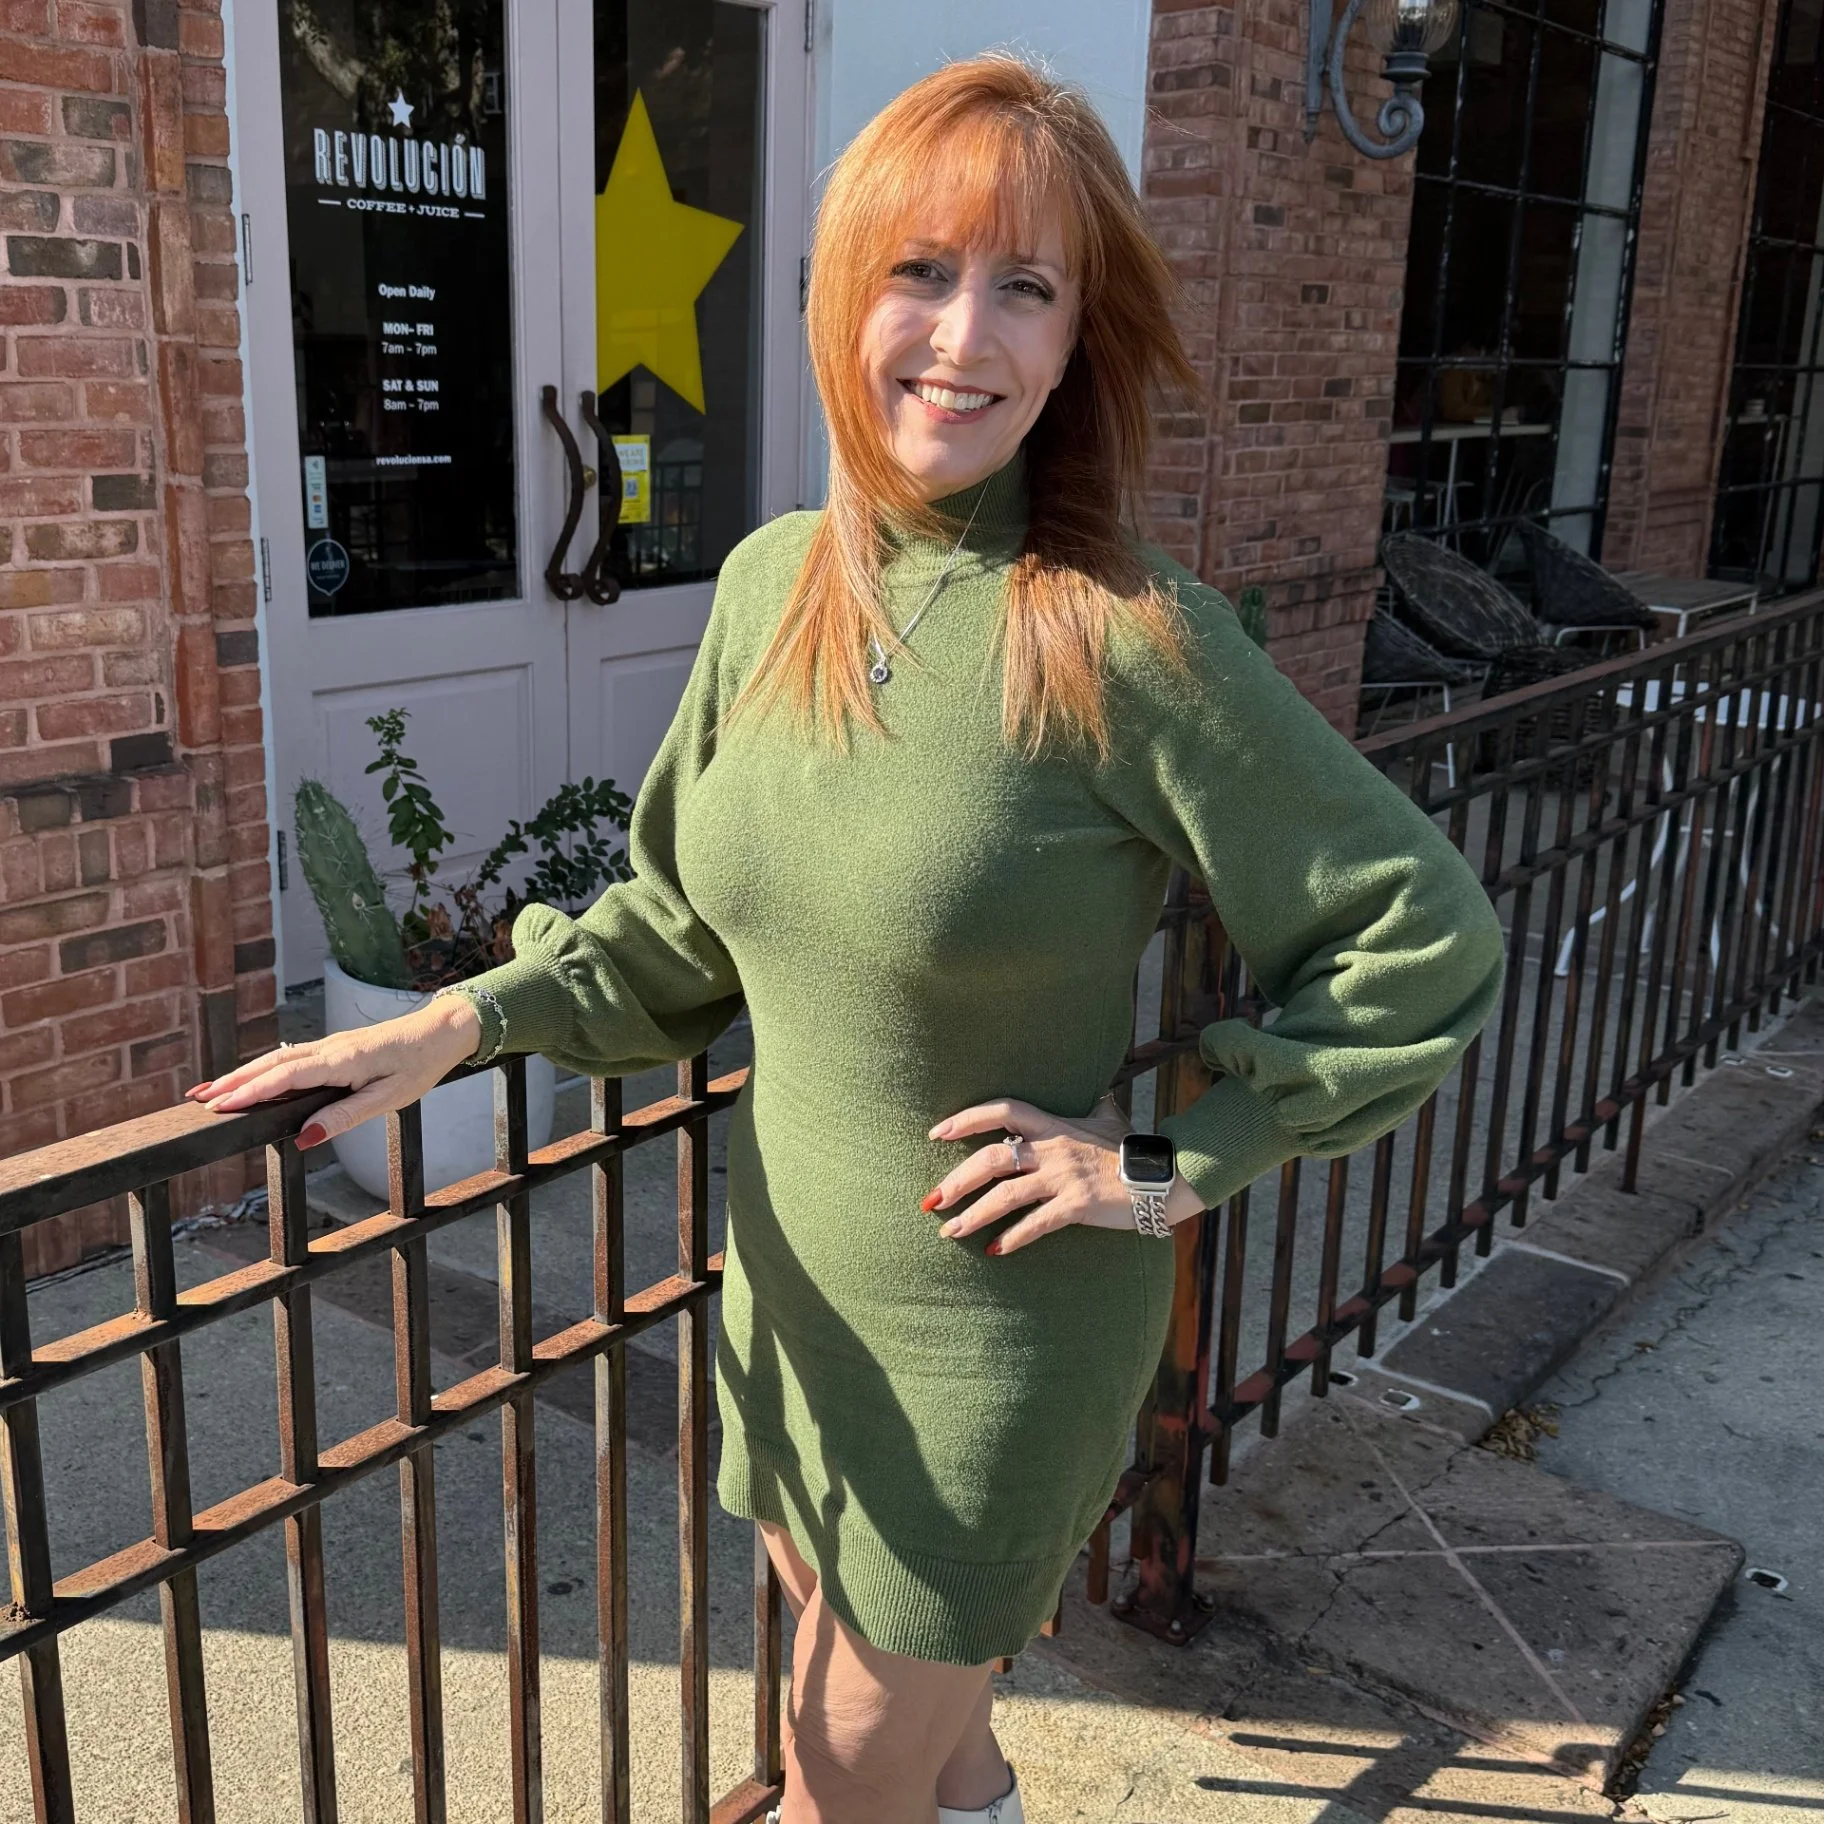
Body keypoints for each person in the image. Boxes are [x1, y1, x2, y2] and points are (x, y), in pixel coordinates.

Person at [193, 55, 1505, 1824]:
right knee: (940, 1762)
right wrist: (455, 1025)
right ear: (842, 299)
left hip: (993, 1351)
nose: (965, 337)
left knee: (830, 1787)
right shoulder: (773, 586)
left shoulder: (1125, 635)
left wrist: (1168, 1170)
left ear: (1076, 341)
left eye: (1026, 287)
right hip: (797, 1309)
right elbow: (676, 929)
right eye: (924, 270)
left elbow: (1424, 941)